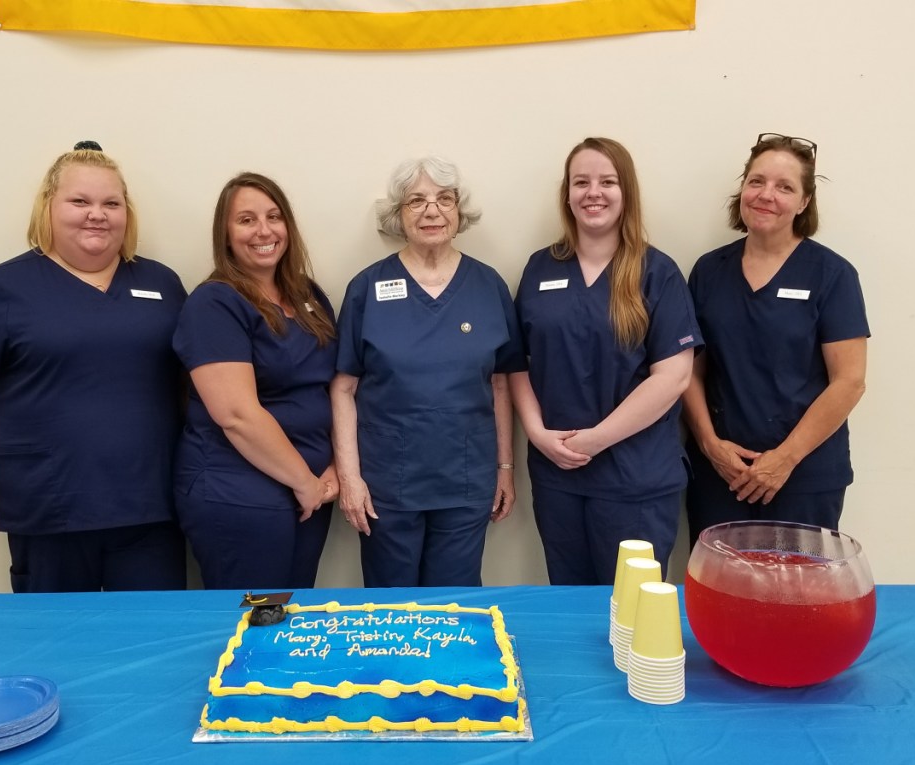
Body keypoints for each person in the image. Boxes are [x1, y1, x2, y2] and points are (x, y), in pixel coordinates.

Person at [0, 142, 188, 592]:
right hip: (49, 509)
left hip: (149, 509)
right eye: (80, 201)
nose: (97, 214)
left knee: (147, 645)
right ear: (49, 208)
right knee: (57, 648)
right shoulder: (2, 290)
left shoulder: (162, 285)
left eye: (111, 203)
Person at [510, 137, 701, 585]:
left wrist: (595, 440)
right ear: (568, 195)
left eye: (607, 182)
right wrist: (537, 433)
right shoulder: (540, 269)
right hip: (559, 476)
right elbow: (517, 362)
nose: (593, 192)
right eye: (581, 182)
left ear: (626, 193)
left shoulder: (658, 272)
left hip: (636, 478)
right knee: (571, 605)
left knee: (634, 609)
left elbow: (674, 377)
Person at [331, 157, 525, 588]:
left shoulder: (488, 286)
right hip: (386, 488)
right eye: (415, 201)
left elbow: (500, 382)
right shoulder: (367, 287)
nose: (431, 211)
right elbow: (343, 388)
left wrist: (506, 468)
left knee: (453, 609)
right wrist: (350, 478)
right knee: (388, 610)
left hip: (465, 480)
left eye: (444, 199)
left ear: (459, 210)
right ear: (398, 215)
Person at [682, 133, 869, 544]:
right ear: (743, 189)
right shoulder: (709, 271)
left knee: (798, 596)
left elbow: (849, 381)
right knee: (721, 595)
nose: (767, 195)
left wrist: (784, 459)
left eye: (785, 187)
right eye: (757, 181)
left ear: (804, 203)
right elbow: (688, 372)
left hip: (803, 475)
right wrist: (710, 445)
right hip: (721, 474)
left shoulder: (832, 276)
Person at [172, 172, 338, 590]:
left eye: (274, 216)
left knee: (293, 619)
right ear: (225, 234)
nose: (264, 230)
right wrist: (305, 483)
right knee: (254, 623)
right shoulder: (214, 303)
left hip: (311, 490)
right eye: (246, 220)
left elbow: (332, 386)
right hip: (239, 494)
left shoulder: (308, 296)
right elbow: (236, 415)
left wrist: (334, 468)